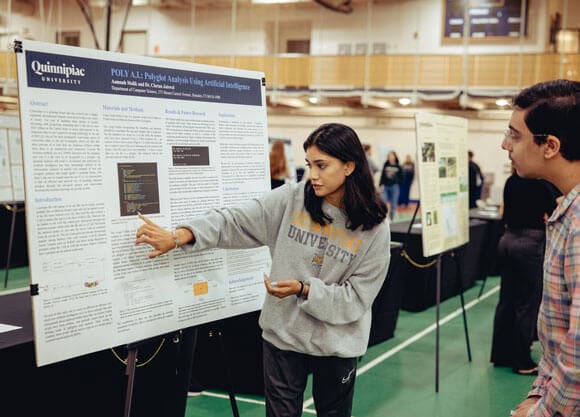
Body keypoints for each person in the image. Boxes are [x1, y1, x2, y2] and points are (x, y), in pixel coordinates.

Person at [136, 123, 390, 417]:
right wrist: (180, 235)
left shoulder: (374, 227)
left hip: (337, 343)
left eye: (322, 165)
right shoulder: (291, 199)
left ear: (349, 166)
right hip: (283, 336)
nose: (313, 175)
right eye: (309, 165)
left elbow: (358, 298)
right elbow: (236, 220)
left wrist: (304, 289)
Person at [501, 79, 580, 417]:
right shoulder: (567, 212)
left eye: (515, 135)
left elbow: (578, 353)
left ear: (550, 145)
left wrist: (544, 411)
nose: (506, 145)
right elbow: (558, 338)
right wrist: (538, 393)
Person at [490, 171, 559, 376]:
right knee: (527, 304)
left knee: (507, 300)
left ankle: (501, 355)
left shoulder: (511, 181)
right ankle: (522, 360)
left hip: (507, 239)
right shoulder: (542, 183)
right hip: (529, 243)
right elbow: (556, 210)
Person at [379, 150, 403, 221]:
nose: (390, 157)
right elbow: (382, 175)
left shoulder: (398, 166)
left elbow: (402, 177)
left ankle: (392, 218)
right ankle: (383, 218)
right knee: (383, 201)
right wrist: (380, 184)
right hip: (386, 186)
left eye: (392, 155)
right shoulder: (386, 165)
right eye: (389, 156)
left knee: (393, 204)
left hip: (394, 187)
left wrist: (398, 182)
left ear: (395, 157)